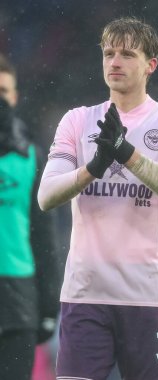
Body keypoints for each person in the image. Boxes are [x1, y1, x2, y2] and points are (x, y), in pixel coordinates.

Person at [38, 17, 158, 380]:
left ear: (150, 65)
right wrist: (94, 166)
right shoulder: (77, 121)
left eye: (127, 54)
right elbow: (46, 197)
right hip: (85, 293)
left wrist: (126, 152)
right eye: (109, 53)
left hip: (148, 295)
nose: (115, 62)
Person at [0, 54, 60, 380]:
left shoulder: (32, 157)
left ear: (15, 96)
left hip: (17, 301)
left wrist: (49, 305)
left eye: (3, 91)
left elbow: (44, 233)